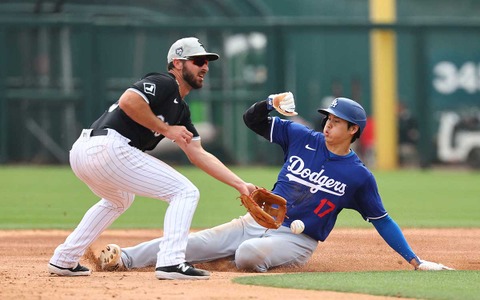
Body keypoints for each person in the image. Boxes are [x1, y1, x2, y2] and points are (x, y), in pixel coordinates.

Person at [97, 95, 453, 273]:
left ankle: (230, 264)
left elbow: (382, 220)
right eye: (327, 118)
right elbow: (252, 119)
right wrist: (269, 102)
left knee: (248, 255)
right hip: (256, 220)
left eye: (337, 121)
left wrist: (416, 261)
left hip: (297, 239)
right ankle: (123, 258)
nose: (328, 124)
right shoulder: (301, 137)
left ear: (353, 130)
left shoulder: (359, 176)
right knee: (194, 242)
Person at [48, 37, 256, 280]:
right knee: (185, 192)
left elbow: (198, 154)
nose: (205, 67)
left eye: (207, 62)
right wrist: (166, 129)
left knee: (119, 200)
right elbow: (129, 100)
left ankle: (64, 259)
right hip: (107, 147)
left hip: (88, 152)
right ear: (178, 63)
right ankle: (171, 262)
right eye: (198, 61)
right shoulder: (165, 82)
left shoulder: (181, 111)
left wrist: (239, 184)